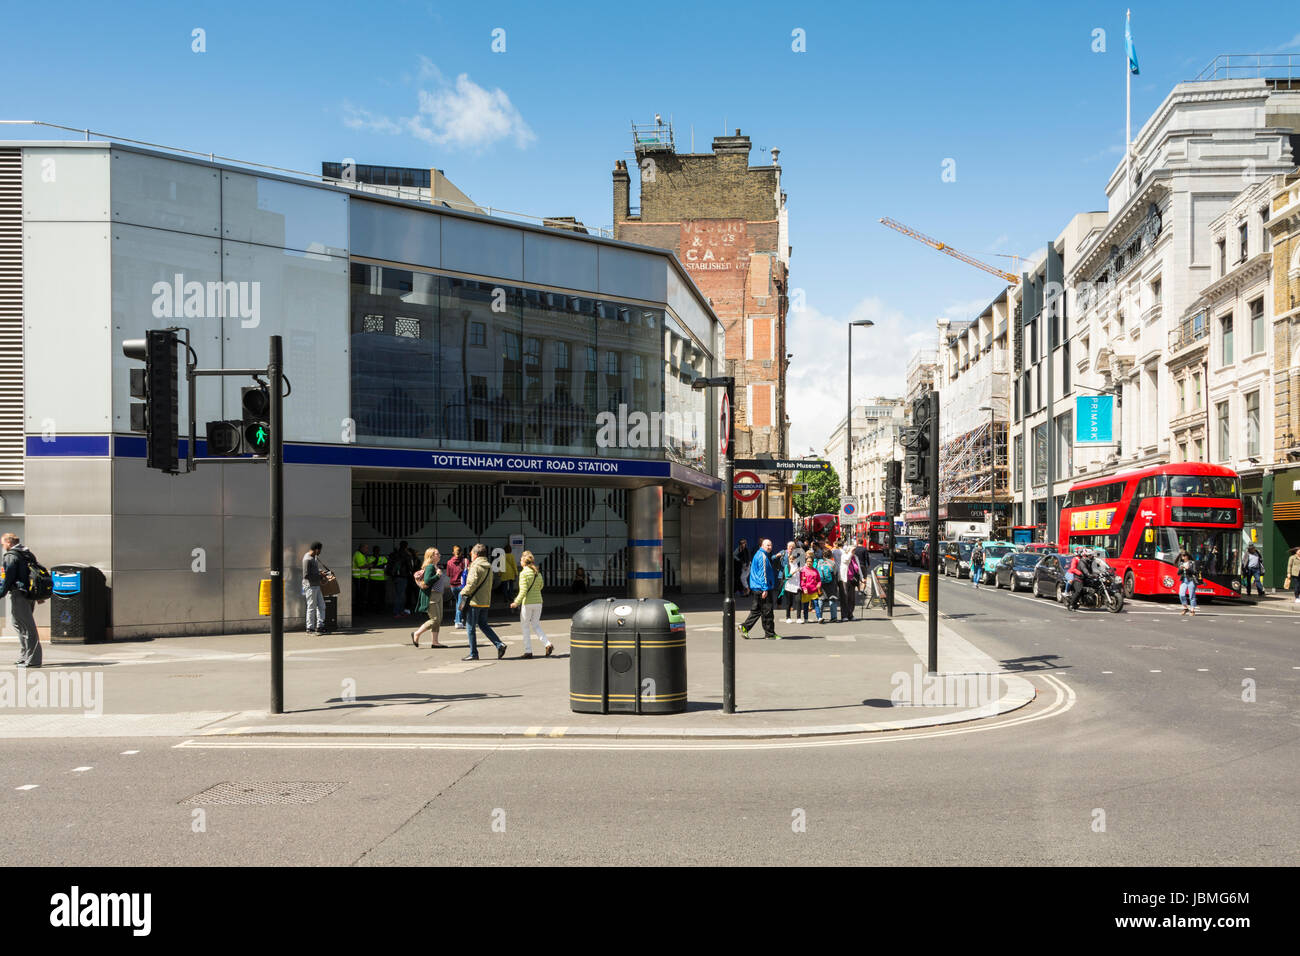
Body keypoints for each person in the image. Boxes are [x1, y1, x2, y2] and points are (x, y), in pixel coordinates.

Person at [458, 543, 507, 661]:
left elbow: (471, 584)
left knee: (470, 627)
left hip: (474, 601)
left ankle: (473, 653)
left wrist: (462, 592)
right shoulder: (489, 566)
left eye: (471, 554)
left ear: (475, 554)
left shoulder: (475, 566)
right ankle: (499, 644)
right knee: (483, 624)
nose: (470, 556)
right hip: (485, 600)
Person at [0, 533, 41, 668]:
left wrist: (1, 592)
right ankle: (25, 655)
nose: (2, 546)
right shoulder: (27, 553)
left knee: (27, 627)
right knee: (17, 623)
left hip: (19, 594)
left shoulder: (11, 555)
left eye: (3, 544)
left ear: (9, 542)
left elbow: (8, 577)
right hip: (29, 594)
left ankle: (33, 660)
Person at [511, 550, 554, 659]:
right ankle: (547, 644)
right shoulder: (537, 572)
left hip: (528, 603)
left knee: (525, 626)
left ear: (524, 562)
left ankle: (528, 651)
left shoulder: (523, 573)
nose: (520, 561)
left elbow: (523, 591)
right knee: (536, 625)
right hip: (538, 602)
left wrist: (516, 602)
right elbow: (541, 586)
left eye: (521, 560)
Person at [739, 538, 780, 640]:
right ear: (762, 546)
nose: (770, 547)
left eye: (771, 545)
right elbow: (763, 574)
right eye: (767, 545)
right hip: (763, 588)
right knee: (767, 611)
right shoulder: (762, 556)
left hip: (757, 587)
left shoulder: (759, 554)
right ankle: (770, 634)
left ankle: (745, 627)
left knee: (756, 611)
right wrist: (765, 588)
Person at [411, 547, 447, 648]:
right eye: (437, 554)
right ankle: (417, 634)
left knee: (438, 619)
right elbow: (427, 581)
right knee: (435, 619)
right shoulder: (430, 567)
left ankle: (435, 642)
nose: (439, 555)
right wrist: (438, 575)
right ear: (431, 556)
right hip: (432, 595)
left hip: (438, 595)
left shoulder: (435, 566)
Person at [302, 541, 326, 635]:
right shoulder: (307, 559)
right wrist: (320, 577)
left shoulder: (314, 557)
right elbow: (306, 575)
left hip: (316, 585)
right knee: (311, 606)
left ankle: (320, 626)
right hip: (310, 586)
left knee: (321, 605)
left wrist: (320, 572)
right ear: (316, 549)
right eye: (320, 550)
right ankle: (310, 628)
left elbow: (313, 571)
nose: (320, 552)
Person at [388, 540, 414, 619]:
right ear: (406, 546)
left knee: (398, 594)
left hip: (395, 576)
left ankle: (399, 611)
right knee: (400, 595)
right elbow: (410, 566)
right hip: (402, 576)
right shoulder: (406, 554)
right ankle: (397, 612)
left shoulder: (395, 553)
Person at [777, 541, 801, 623]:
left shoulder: (797, 564)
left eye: (793, 559)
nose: (791, 560)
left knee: (798, 601)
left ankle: (798, 618)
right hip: (788, 585)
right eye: (790, 559)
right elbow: (787, 576)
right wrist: (776, 556)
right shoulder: (787, 565)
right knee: (789, 602)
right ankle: (788, 617)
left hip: (797, 585)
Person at [446, 546, 467, 629]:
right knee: (460, 603)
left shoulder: (449, 562)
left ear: (453, 553)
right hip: (462, 586)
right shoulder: (465, 561)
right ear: (461, 552)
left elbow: (448, 574)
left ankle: (458, 618)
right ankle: (458, 622)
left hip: (453, 586)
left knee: (458, 602)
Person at [838, 543, 861, 621]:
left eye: (854, 550)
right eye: (853, 550)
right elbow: (846, 560)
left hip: (852, 579)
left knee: (852, 598)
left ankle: (850, 614)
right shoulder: (844, 555)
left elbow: (858, 568)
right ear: (848, 550)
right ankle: (844, 615)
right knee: (844, 597)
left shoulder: (855, 557)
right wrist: (850, 553)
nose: (854, 551)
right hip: (844, 579)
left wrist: (862, 578)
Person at [1177, 549, 1199, 616]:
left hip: (1191, 580)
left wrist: (1188, 568)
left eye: (1184, 556)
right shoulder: (1181, 563)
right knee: (1181, 594)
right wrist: (1181, 569)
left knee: (1192, 595)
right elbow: (1178, 573)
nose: (1182, 557)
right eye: (1182, 556)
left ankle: (1192, 610)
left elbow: (1195, 572)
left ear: (1187, 556)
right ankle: (1185, 607)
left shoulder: (1192, 563)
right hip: (1184, 580)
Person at [351, 544, 369, 615]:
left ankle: (360, 610)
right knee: (360, 595)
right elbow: (361, 566)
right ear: (361, 548)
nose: (367, 550)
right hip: (359, 578)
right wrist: (370, 565)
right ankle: (359, 611)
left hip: (362, 578)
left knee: (361, 595)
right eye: (366, 548)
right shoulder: (358, 554)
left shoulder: (361, 555)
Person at [1064, 547, 1084, 612]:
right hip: (1071, 573)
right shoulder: (1075, 559)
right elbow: (1073, 569)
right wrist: (1080, 573)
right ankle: (1066, 592)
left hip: (1078, 574)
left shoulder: (1083, 559)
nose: (1082, 553)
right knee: (1071, 580)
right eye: (1081, 551)